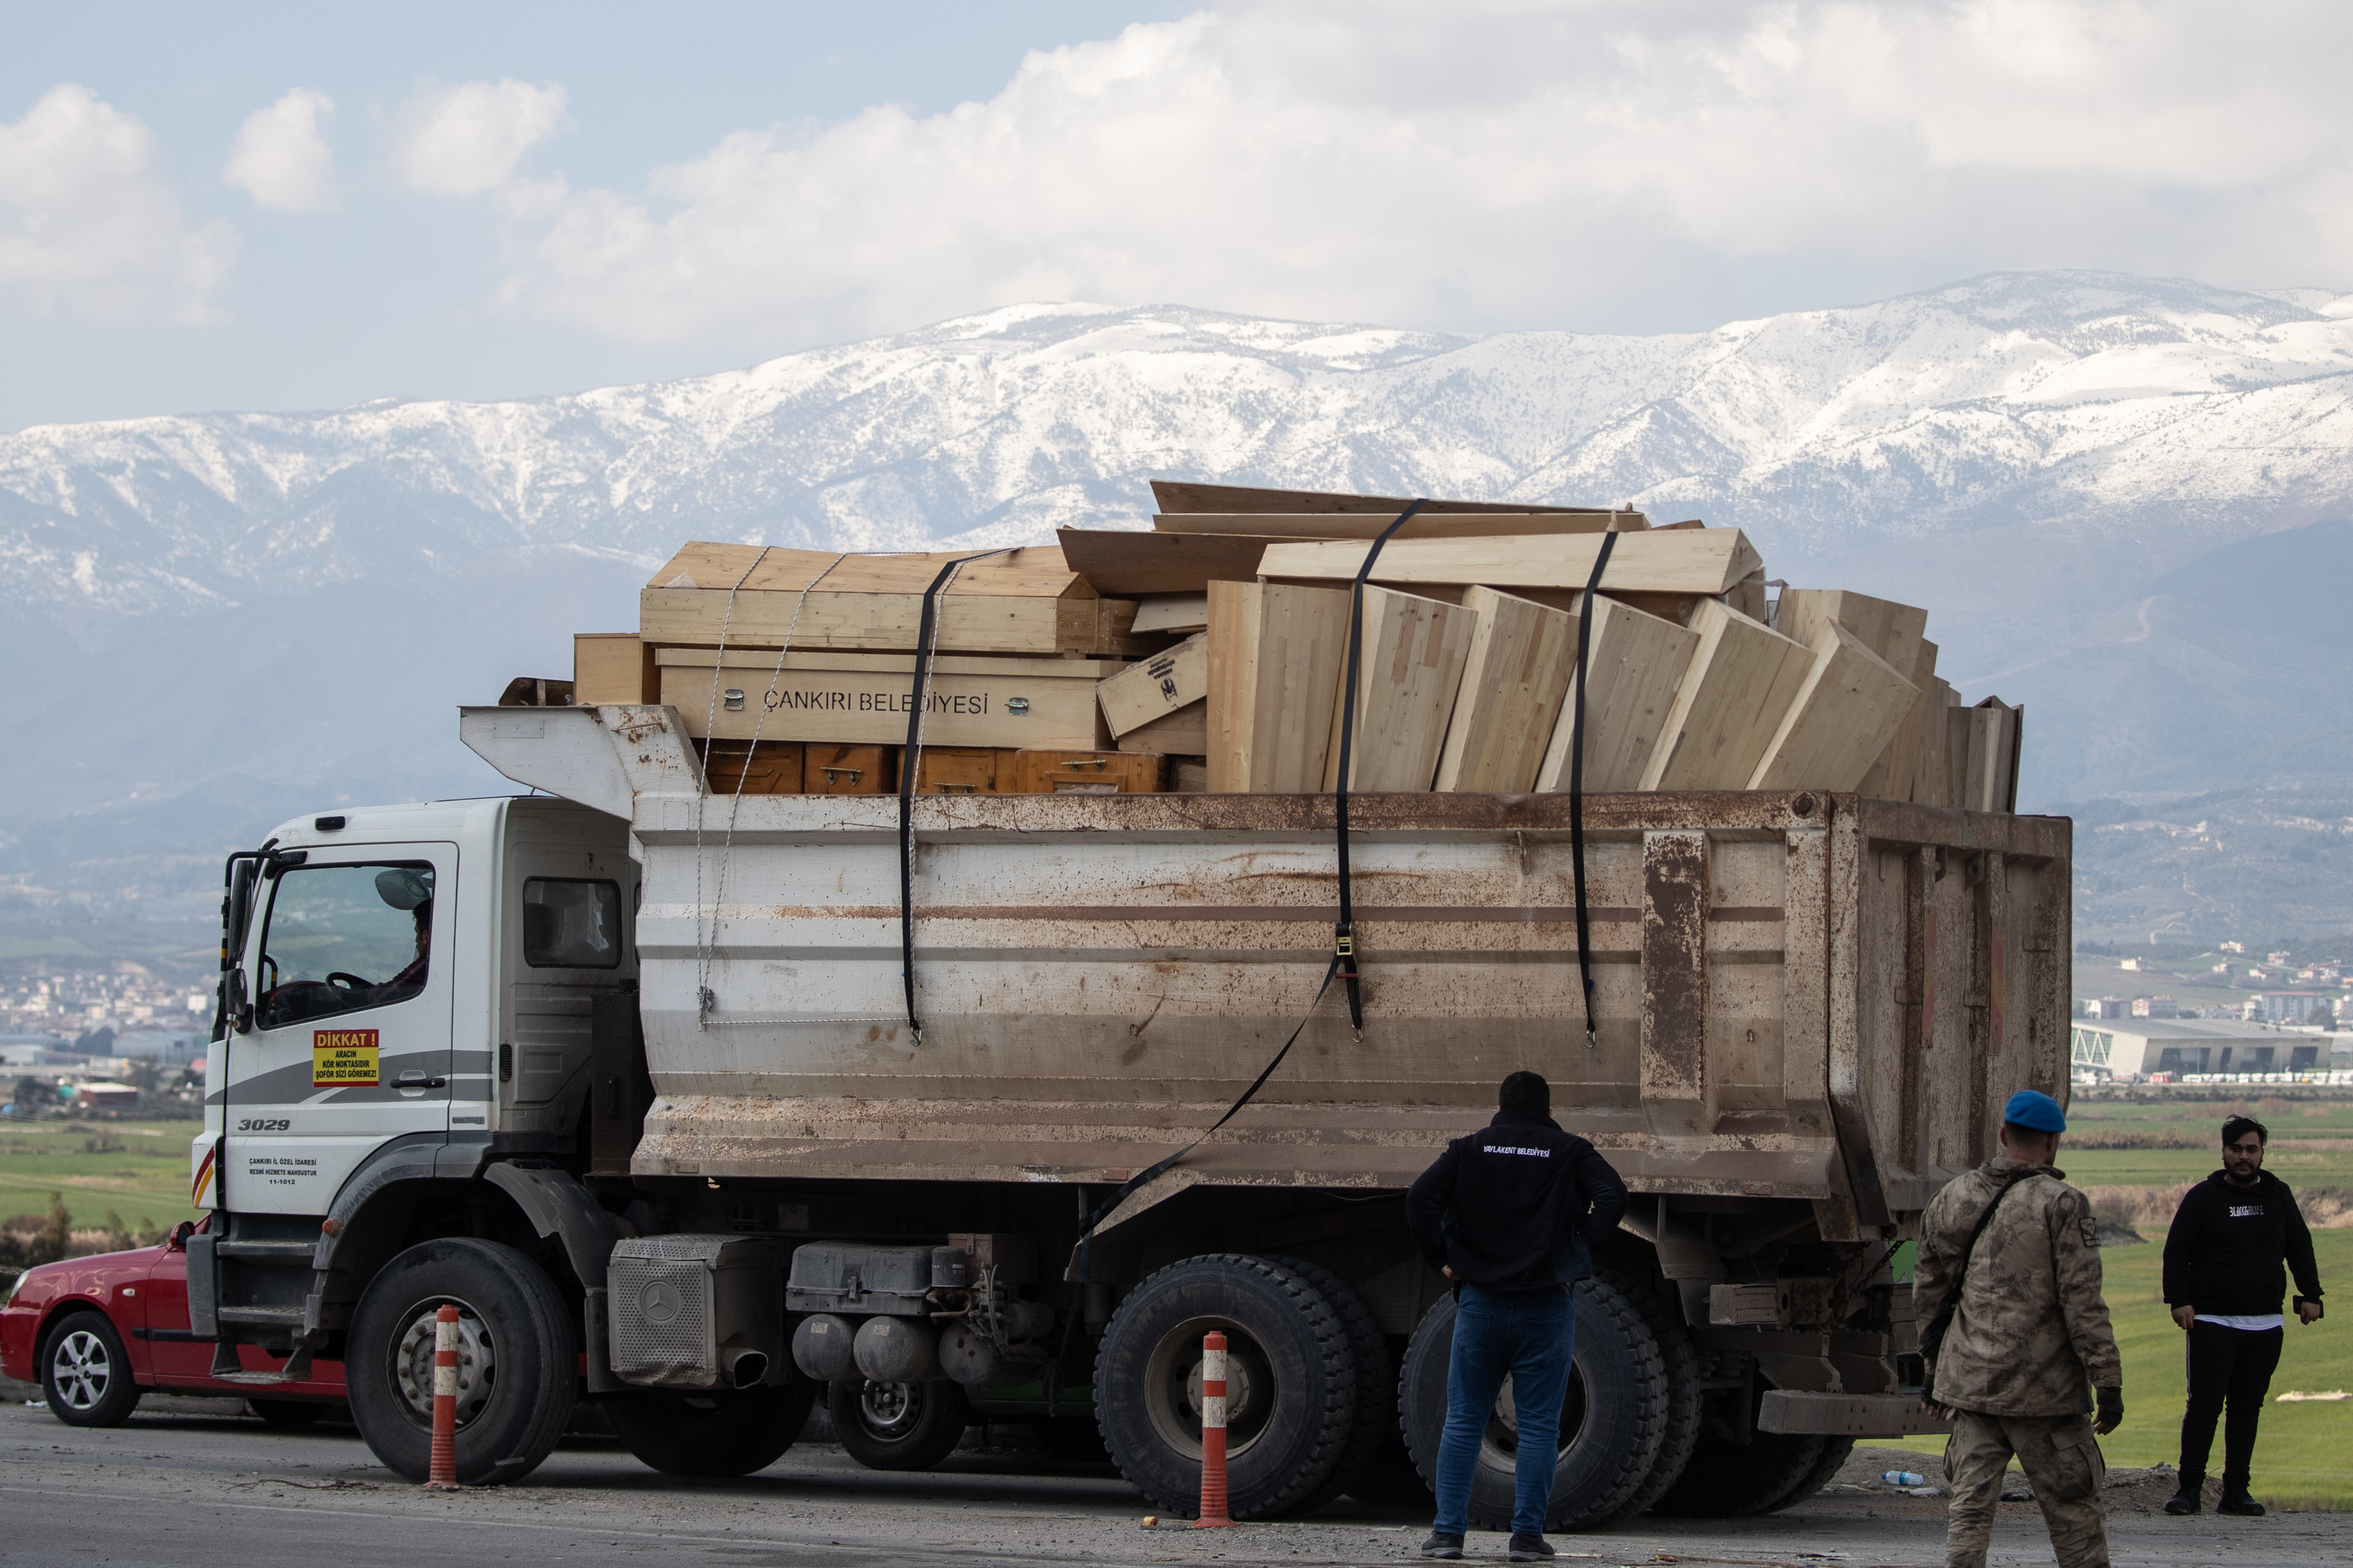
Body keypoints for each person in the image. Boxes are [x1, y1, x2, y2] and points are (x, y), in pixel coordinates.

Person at [1404, 1070, 1628, 1563]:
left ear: (1499, 1106)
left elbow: (1420, 1198)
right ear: (1549, 1111)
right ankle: (1527, 1537)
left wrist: (1441, 1255)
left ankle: (1447, 1534)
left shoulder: (1470, 1148)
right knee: (1540, 1422)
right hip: (1546, 1303)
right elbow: (1613, 1194)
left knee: (1464, 1418)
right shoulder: (1570, 1149)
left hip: (1481, 1301)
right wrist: (1580, 1244)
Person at [1915, 1089, 2123, 1568]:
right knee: (2075, 1523)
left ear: (2004, 1134)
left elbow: (1930, 1296)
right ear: (2053, 1143)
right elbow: (2083, 1303)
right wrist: (2107, 1380)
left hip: (1972, 1389)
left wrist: (1933, 1372)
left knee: (1967, 1517)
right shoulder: (2064, 1205)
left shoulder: (1953, 1197)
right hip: (2045, 1394)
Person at [2160, 1114, 2326, 1517]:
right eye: (2236, 1149)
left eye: (2252, 1149)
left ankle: (2236, 1493)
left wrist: (2310, 1294)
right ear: (2223, 1151)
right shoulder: (2203, 1197)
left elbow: (2299, 1246)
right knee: (2203, 1407)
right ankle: (2189, 1491)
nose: (2244, 1157)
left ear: (2262, 1153)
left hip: (2265, 1325)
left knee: (2247, 1410)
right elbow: (2177, 1250)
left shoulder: (2278, 1195)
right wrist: (2179, 1300)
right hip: (2212, 1323)